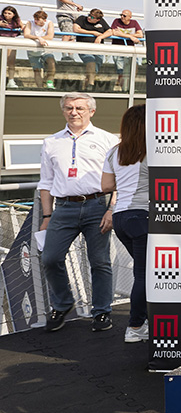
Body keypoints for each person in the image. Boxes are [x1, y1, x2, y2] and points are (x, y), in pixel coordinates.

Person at [37, 93, 118, 332]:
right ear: (63, 111)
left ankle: (102, 312)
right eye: (69, 108)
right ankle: (63, 304)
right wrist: (46, 216)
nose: (74, 112)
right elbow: (45, 183)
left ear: (91, 111)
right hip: (63, 208)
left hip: (97, 206)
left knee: (100, 262)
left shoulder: (107, 139)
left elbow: (118, 180)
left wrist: (111, 209)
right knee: (50, 258)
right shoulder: (51, 142)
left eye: (80, 108)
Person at [100, 104, 149, 343]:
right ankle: (136, 325)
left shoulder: (114, 152)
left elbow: (106, 186)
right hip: (143, 216)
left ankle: (142, 322)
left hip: (121, 218)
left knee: (144, 272)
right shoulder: (154, 151)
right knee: (145, 274)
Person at [72, 8, 111, 90]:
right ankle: (91, 85)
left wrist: (100, 37)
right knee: (91, 61)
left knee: (95, 68)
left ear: (98, 20)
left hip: (98, 49)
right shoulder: (82, 19)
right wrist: (92, 32)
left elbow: (110, 31)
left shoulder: (102, 21)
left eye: (92, 17)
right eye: (89, 15)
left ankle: (86, 84)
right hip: (84, 48)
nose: (89, 17)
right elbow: (76, 29)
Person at [109, 9, 143, 91]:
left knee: (133, 68)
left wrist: (123, 35)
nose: (121, 17)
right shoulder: (116, 21)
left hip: (130, 50)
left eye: (124, 15)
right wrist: (131, 37)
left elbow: (140, 35)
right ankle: (121, 87)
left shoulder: (134, 23)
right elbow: (114, 32)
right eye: (121, 14)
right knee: (120, 70)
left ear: (129, 17)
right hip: (118, 49)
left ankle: (128, 87)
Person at [26, 9, 57, 89]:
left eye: (38, 20)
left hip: (45, 49)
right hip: (33, 51)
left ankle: (49, 82)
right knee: (37, 70)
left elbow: (50, 36)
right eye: (35, 19)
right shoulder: (30, 22)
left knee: (51, 63)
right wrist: (38, 38)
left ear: (44, 20)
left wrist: (39, 39)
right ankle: (40, 88)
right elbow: (26, 35)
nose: (36, 22)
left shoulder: (49, 23)